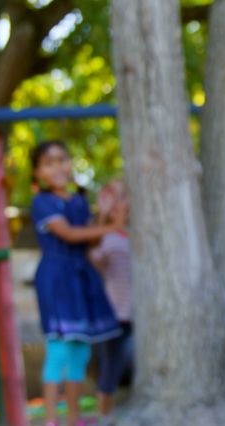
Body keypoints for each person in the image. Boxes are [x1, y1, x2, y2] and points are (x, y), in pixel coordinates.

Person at [30, 140, 122, 426]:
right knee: (59, 349)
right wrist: (113, 226)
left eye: (62, 159)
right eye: (49, 162)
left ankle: (73, 419)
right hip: (58, 281)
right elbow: (69, 235)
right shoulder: (42, 203)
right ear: (37, 173)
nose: (57, 166)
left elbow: (90, 239)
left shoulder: (79, 202)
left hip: (81, 280)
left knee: (80, 350)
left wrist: (105, 214)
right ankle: (50, 421)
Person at [88, 179, 134, 418]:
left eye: (122, 196)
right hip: (115, 313)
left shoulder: (138, 233)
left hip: (140, 313)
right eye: (112, 198)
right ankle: (104, 417)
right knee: (110, 368)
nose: (118, 202)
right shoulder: (104, 235)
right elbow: (94, 260)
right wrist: (103, 218)